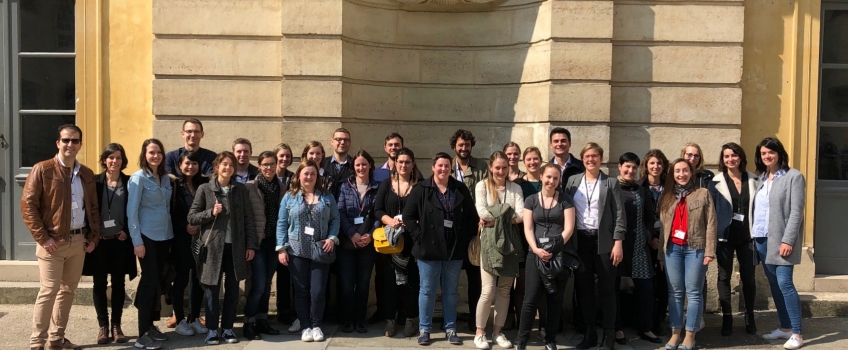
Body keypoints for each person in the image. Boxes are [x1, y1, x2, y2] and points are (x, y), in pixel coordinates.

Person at [22, 124, 100, 350]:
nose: (70, 145)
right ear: (58, 143)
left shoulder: (85, 173)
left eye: (75, 141)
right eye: (66, 140)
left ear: (80, 145)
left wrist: (93, 237)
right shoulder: (43, 169)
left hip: (78, 242)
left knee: (67, 291)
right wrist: (43, 238)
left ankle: (56, 339)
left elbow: (92, 208)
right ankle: (37, 342)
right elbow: (28, 206)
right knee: (48, 291)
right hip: (52, 243)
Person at [403, 152, 479, 346]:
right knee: (427, 290)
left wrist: (463, 240)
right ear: (433, 167)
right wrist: (419, 237)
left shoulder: (460, 189)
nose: (443, 169)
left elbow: (472, 217)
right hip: (427, 250)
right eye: (440, 166)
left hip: (454, 249)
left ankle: (450, 328)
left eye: (446, 166)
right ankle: (425, 329)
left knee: (451, 291)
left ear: (450, 168)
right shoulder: (421, 189)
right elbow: (408, 217)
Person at [188, 151, 259, 345]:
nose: (227, 168)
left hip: (235, 248)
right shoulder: (205, 189)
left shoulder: (240, 190)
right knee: (211, 291)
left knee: (233, 290)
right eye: (224, 164)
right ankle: (212, 329)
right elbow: (192, 217)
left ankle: (227, 328)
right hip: (213, 249)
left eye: (231, 165)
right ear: (217, 166)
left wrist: (251, 245)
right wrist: (211, 212)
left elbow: (248, 220)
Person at [566, 143, 625, 350]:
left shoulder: (610, 182)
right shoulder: (573, 181)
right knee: (585, 289)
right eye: (587, 156)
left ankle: (609, 335)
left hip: (605, 242)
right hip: (581, 241)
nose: (591, 159)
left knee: (608, 289)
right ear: (582, 159)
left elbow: (619, 214)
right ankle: (589, 332)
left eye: (595, 156)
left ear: (601, 158)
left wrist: (618, 242)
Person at [276, 160, 341, 343]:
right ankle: (305, 326)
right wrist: (281, 248)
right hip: (297, 249)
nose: (309, 177)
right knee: (301, 290)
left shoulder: (326, 197)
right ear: (298, 175)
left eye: (312, 174)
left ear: (317, 176)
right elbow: (282, 224)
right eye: (305, 173)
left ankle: (316, 325)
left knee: (318, 291)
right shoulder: (289, 197)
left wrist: (332, 238)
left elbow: (335, 219)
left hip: (321, 249)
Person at [515, 163, 576, 350]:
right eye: (548, 177)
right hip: (535, 254)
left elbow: (568, 229)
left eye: (555, 178)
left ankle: (550, 338)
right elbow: (528, 228)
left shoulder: (565, 200)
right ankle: (522, 340)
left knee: (555, 299)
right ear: (541, 177)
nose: (551, 181)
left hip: (557, 255)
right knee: (530, 298)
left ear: (559, 180)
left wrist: (554, 248)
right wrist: (536, 249)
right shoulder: (531, 200)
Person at [657, 158, 717, 350]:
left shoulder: (703, 193)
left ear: (691, 172)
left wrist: (709, 251)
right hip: (672, 249)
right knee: (674, 292)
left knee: (693, 293)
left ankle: (690, 335)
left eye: (685, 170)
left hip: (696, 249)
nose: (681, 174)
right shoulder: (667, 196)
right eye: (677, 171)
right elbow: (663, 229)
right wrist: (660, 254)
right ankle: (675, 334)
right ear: (672, 175)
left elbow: (711, 224)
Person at [751, 137, 805, 350]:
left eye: (770, 152)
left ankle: (798, 333)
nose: (767, 156)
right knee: (774, 284)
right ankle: (785, 328)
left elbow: (796, 211)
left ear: (779, 153)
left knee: (785, 284)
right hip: (762, 238)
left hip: (782, 240)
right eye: (763, 153)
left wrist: (788, 240)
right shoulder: (762, 178)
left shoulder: (794, 176)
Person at [81, 144, 136, 345]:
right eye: (110, 157)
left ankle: (117, 326)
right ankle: (103, 326)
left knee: (119, 284)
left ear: (123, 161)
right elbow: (86, 210)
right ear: (104, 160)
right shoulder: (94, 182)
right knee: (99, 284)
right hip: (99, 242)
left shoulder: (130, 183)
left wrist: (128, 231)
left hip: (120, 241)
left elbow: (135, 210)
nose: (114, 161)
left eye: (118, 158)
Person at [473, 151, 525, 349]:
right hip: (489, 241)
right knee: (487, 290)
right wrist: (506, 214)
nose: (501, 171)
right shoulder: (482, 186)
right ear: (490, 168)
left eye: (504, 167)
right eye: (497, 167)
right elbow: (482, 212)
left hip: (511, 241)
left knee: (504, 290)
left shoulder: (515, 188)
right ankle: (479, 333)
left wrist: (497, 217)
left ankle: (497, 332)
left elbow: (520, 214)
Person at [128, 139, 173, 350]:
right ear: (144, 155)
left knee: (156, 281)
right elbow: (132, 212)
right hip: (147, 237)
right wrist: (137, 241)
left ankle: (150, 325)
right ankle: (141, 334)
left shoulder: (164, 178)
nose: (155, 156)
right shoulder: (138, 178)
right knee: (148, 282)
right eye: (151, 152)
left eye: (158, 152)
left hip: (165, 236)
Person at [709, 142, 758, 336]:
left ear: (741, 157)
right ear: (722, 160)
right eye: (726, 156)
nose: (730, 159)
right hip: (725, 238)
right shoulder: (716, 182)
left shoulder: (754, 179)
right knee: (724, 277)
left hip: (748, 236)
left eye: (734, 155)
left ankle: (749, 316)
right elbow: (711, 212)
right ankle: (727, 317)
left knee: (749, 278)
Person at [614, 152, 662, 344]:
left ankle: (645, 327)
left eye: (634, 167)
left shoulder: (642, 190)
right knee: (614, 288)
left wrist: (649, 236)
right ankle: (617, 328)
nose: (630, 171)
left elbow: (650, 218)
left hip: (639, 247)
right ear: (620, 166)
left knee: (647, 289)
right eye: (627, 166)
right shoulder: (611, 187)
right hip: (617, 247)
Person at [375, 148, 422, 338]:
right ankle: (390, 320)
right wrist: (390, 220)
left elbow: (425, 211)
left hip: (412, 241)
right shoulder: (386, 185)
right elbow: (377, 210)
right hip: (391, 242)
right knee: (389, 282)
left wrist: (413, 222)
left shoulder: (420, 186)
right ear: (394, 163)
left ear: (413, 164)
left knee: (412, 282)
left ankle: (411, 319)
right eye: (400, 161)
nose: (403, 165)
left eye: (407, 162)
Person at [336, 150, 380, 333]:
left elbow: (379, 213)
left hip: (367, 244)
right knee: (346, 283)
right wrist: (351, 233)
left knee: (363, 284)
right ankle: (347, 320)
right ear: (353, 168)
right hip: (347, 243)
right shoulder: (343, 186)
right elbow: (340, 212)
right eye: (357, 165)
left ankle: (360, 319)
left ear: (370, 165)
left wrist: (370, 234)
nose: (361, 168)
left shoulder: (378, 187)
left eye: (364, 164)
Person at [168, 151, 210, 338]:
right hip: (180, 238)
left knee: (198, 279)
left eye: (194, 163)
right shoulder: (174, 185)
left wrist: (199, 225)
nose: (190, 167)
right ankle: (180, 318)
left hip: (200, 238)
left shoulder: (204, 184)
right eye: (187, 163)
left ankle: (194, 317)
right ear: (180, 164)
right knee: (182, 278)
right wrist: (185, 226)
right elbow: (170, 210)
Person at [243, 151, 284, 340]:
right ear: (259, 166)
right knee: (258, 285)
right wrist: (249, 243)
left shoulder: (282, 187)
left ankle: (262, 320)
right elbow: (246, 218)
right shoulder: (250, 187)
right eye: (265, 164)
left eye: (272, 164)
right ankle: (248, 323)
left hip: (274, 242)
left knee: (267, 285)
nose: (269, 168)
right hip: (258, 243)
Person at [449, 129, 486, 330]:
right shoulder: (448, 166)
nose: (464, 148)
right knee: (451, 279)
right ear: (454, 146)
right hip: (452, 231)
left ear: (472, 146)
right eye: (460, 145)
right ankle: (450, 320)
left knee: (475, 279)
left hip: (475, 230)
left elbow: (489, 190)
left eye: (467, 145)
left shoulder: (481, 166)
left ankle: (475, 320)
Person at [513, 146, 546, 338]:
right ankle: (521, 325)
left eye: (535, 159)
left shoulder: (548, 181)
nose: (532, 162)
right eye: (529, 159)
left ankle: (543, 325)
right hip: (521, 239)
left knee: (542, 283)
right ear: (523, 162)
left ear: (540, 160)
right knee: (523, 284)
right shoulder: (517, 184)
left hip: (543, 238)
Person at [639, 149, 670, 336]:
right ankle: (647, 321)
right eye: (652, 163)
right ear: (646, 166)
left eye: (659, 163)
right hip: (646, 242)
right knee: (648, 285)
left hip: (667, 241)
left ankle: (660, 319)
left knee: (664, 284)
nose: (655, 166)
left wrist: (663, 240)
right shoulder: (639, 187)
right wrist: (650, 239)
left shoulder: (670, 187)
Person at [274, 143, 297, 329]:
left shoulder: (293, 178)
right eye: (281, 155)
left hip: (288, 233)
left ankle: (285, 311)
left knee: (285, 275)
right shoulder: (265, 176)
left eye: (288, 156)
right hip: (267, 232)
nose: (284, 159)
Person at [321, 128, 354, 195]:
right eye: (338, 139)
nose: (342, 142)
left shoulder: (356, 165)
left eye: (346, 140)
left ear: (350, 143)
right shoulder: (322, 164)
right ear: (332, 142)